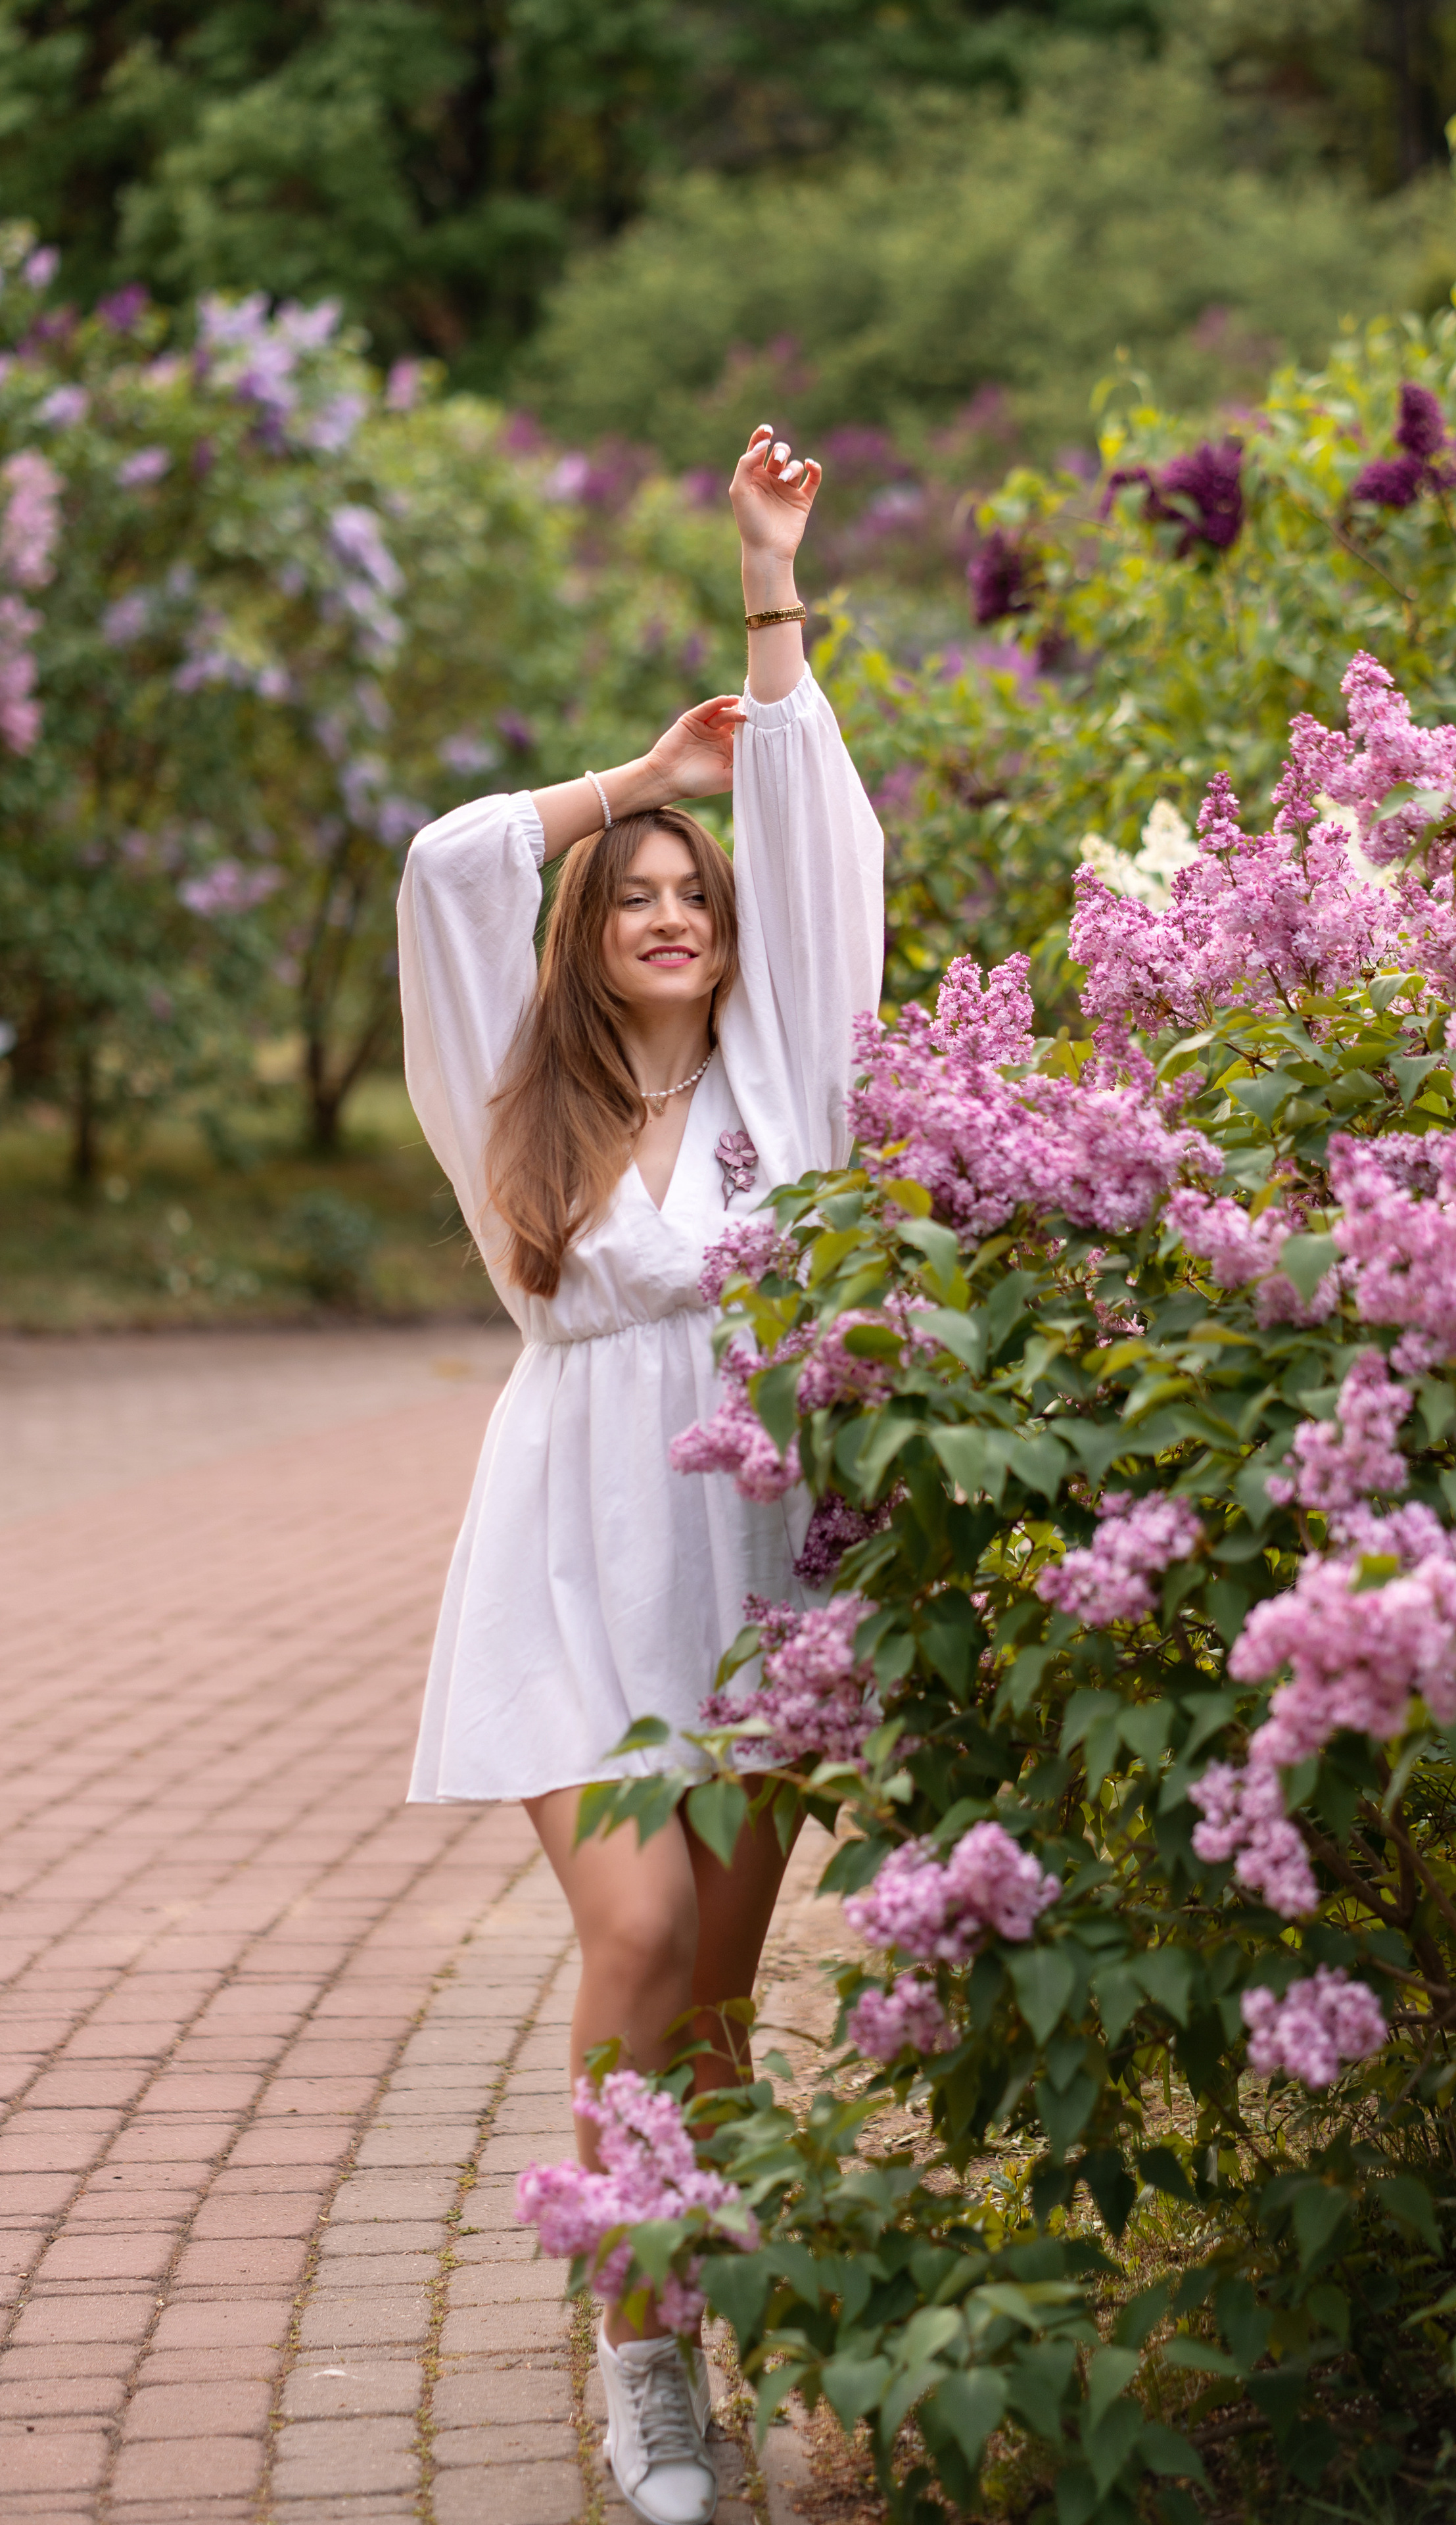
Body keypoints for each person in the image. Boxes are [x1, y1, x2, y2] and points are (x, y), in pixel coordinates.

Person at [396, 425, 884, 2525]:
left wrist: (770, 582)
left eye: (698, 891)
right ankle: (644, 2366)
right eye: (638, 897)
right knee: (640, 1928)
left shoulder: (795, 1081)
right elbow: (446, 865)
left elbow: (821, 833)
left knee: (722, 1997)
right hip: (569, 1568)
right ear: (588, 933)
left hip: (758, 1567)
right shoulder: (515, 1101)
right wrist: (639, 782)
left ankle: (718, 2312)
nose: (673, 911)